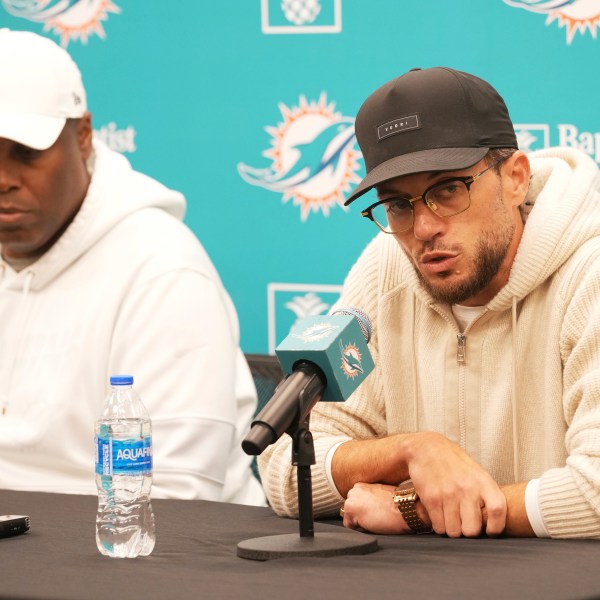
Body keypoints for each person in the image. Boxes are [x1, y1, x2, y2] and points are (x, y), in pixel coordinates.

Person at [258, 66, 600, 537]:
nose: (422, 229)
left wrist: (412, 508)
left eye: (447, 190)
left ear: (516, 178)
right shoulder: (385, 269)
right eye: (399, 204)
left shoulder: (591, 273)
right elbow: (286, 470)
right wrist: (410, 451)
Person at [0, 28, 265, 506]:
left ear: (82, 136)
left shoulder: (163, 271)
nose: (3, 179)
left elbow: (175, 497)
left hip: (143, 560)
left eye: (25, 153)